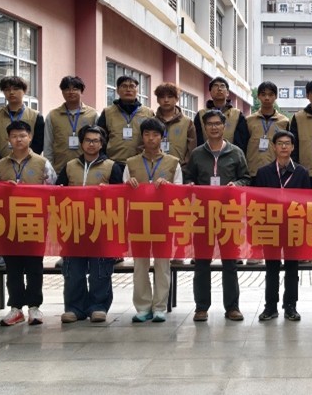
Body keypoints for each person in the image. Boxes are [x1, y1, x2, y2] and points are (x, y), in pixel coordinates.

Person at [0, 120, 57, 327]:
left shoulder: (42, 163)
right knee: (13, 267)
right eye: (14, 136)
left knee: (34, 266)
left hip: (35, 222)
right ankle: (16, 308)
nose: (18, 139)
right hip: (8, 224)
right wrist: (3, 188)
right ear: (8, 139)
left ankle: (34, 307)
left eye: (22, 135)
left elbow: (53, 190)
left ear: (30, 137)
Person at [185, 109, 250, 322]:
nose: (214, 127)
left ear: (224, 126)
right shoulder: (197, 154)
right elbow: (188, 177)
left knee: (230, 262)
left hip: (228, 214)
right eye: (210, 124)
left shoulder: (236, 152)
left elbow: (246, 178)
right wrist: (190, 184)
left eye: (217, 123)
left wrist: (236, 184)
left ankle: (232, 307)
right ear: (205, 128)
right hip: (202, 215)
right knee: (202, 262)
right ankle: (201, 307)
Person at [55, 125, 124, 324]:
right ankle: (74, 308)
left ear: (102, 144)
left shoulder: (112, 166)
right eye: (87, 140)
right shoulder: (70, 166)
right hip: (73, 225)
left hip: (101, 225)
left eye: (96, 141)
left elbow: (121, 197)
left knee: (99, 270)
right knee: (73, 270)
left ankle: (98, 306)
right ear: (81, 143)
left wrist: (109, 191)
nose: (91, 144)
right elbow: (57, 191)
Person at [124, 118, 184, 323]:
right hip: (138, 220)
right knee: (140, 265)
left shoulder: (173, 162)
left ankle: (159, 307)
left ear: (162, 137)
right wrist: (128, 184)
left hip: (162, 220)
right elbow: (123, 193)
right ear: (142, 137)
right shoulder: (131, 163)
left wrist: (168, 186)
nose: (151, 138)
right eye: (147, 134)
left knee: (162, 264)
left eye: (155, 134)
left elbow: (179, 191)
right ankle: (143, 307)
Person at [251, 130, 308, 321]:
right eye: (280, 143)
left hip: (293, 227)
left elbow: (307, 203)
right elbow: (258, 202)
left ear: (293, 147)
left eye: (287, 143)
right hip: (271, 227)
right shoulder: (264, 172)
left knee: (292, 268)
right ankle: (270, 307)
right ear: (274, 147)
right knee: (271, 268)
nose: (284, 146)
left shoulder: (301, 172)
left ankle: (290, 306)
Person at [0, 76, 45, 159]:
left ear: (24, 91)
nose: (11, 92)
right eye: (7, 89)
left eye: (16, 89)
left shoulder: (35, 116)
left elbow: (39, 142)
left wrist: (26, 159)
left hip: (28, 162)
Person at [97, 76, 158, 162]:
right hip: (113, 162)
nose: (128, 90)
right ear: (117, 90)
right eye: (124, 86)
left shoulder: (148, 113)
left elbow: (155, 138)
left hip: (141, 162)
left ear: (137, 90)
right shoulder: (107, 112)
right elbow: (100, 138)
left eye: (132, 86)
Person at [45, 75, 98, 173]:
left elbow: (99, 143)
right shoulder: (52, 115)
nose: (71, 92)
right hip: (59, 170)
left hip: (86, 169)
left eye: (75, 89)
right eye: (67, 89)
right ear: (62, 92)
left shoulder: (93, 114)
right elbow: (48, 145)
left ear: (81, 91)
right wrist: (49, 170)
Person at [246, 82, 291, 176]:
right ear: (258, 96)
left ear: (276, 96)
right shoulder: (249, 120)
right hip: (253, 170)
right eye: (263, 94)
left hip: (276, 171)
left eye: (270, 94)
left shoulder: (284, 121)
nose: (267, 98)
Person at [195, 76, 249, 152]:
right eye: (215, 86)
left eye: (222, 86)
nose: (219, 89)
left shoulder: (237, 115)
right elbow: (197, 141)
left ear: (227, 93)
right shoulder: (201, 115)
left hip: (231, 157)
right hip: (207, 156)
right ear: (210, 92)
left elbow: (242, 142)